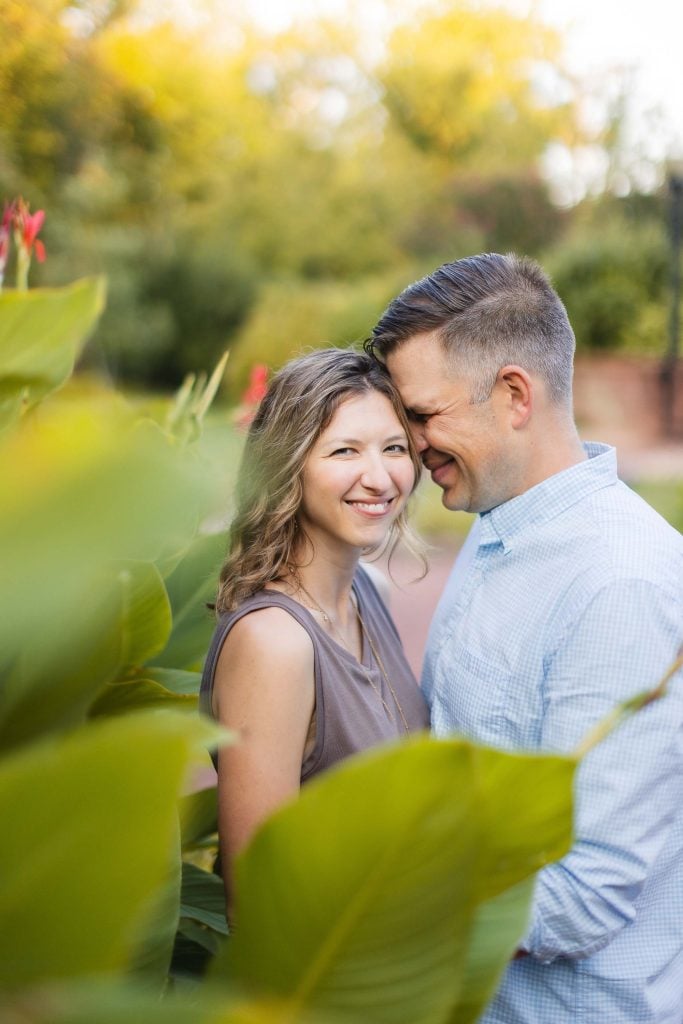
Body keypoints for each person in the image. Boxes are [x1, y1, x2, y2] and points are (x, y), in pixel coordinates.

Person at [366, 253, 683, 1024]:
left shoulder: (620, 585)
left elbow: (585, 894)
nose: (411, 447)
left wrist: (357, 904)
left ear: (513, 395)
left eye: (423, 415)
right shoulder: (494, 522)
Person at [200, 348, 429, 906]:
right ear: (289, 463)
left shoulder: (365, 594)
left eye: (394, 448)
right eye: (345, 450)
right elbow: (255, 897)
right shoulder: (275, 642)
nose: (379, 478)